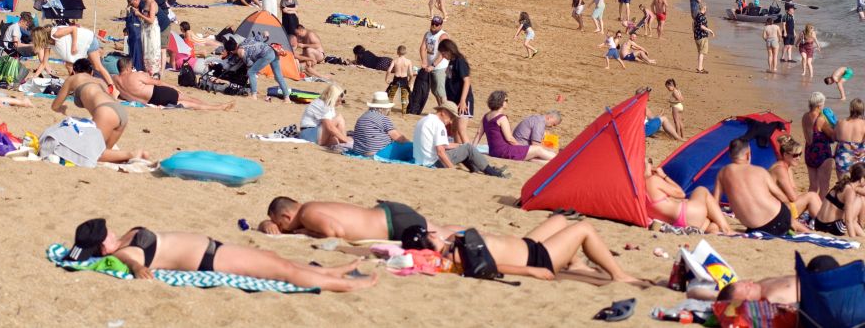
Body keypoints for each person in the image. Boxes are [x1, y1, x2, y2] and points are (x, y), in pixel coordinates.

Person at [65, 218, 376, 291]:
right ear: (104, 245)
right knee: (283, 273)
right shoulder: (124, 252)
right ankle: (351, 284)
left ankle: (334, 272)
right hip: (211, 260)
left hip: (215, 249)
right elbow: (131, 261)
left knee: (276, 260)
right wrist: (136, 269)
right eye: (105, 237)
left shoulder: (128, 236)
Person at [413, 215, 639, 284]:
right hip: (536, 259)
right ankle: (618, 275)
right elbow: (489, 268)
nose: (432, 232)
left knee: (560, 219)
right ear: (430, 244)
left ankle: (576, 263)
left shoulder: (452, 242)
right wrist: (531, 271)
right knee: (584, 228)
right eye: (429, 235)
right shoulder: (455, 254)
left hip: (527, 244)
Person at [51, 59, 148, 163]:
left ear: (74, 71)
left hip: (105, 112)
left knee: (92, 153)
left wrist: (62, 108)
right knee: (103, 154)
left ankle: (133, 154)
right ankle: (133, 157)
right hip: (120, 111)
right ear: (91, 72)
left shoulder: (73, 79)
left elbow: (55, 105)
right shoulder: (100, 81)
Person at [714, 137, 809, 236]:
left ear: (730, 155)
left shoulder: (722, 173)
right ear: (748, 154)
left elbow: (714, 203)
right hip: (780, 218)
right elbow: (783, 197)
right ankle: (806, 231)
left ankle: (797, 227)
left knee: (788, 222)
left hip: (756, 228)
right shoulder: (760, 171)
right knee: (791, 221)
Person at [260, 197, 455, 243]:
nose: (281, 229)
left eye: (279, 224)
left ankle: (481, 238)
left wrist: (305, 232)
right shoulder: (310, 207)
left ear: (287, 216)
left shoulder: (306, 216)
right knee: (444, 230)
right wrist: (265, 224)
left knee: (444, 236)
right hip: (388, 213)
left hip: (393, 225)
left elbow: (336, 233)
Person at [413, 100, 509, 177]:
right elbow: (440, 152)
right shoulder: (438, 124)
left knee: (464, 148)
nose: (451, 121)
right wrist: (452, 169)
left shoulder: (424, 120)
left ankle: (479, 169)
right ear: (443, 112)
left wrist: (459, 146)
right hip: (433, 163)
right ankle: (491, 171)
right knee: (468, 148)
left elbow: (439, 145)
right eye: (451, 117)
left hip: (421, 160)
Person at [644, 158, 732, 233]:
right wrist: (664, 176)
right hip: (687, 213)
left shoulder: (638, 195)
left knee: (711, 220)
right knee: (701, 190)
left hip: (679, 224)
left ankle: (713, 231)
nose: (652, 165)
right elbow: (681, 193)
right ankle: (727, 230)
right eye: (650, 162)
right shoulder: (652, 181)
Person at [112, 57, 227, 110]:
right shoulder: (134, 75)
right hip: (158, 93)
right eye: (131, 67)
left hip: (151, 101)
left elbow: (116, 95)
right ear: (127, 67)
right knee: (189, 99)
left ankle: (215, 107)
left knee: (188, 104)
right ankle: (216, 107)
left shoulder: (115, 81)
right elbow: (157, 82)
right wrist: (171, 86)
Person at [472, 91, 554, 163]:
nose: (507, 102)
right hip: (504, 151)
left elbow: (478, 133)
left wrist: (472, 149)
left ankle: (546, 162)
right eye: (506, 100)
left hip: (493, 151)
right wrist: (521, 148)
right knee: (537, 149)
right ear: (500, 101)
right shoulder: (501, 118)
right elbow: (509, 139)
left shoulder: (485, 116)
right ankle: (558, 160)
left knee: (534, 154)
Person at [29, 24, 113, 84]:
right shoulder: (48, 43)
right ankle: (76, 86)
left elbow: (73, 28)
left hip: (89, 41)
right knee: (69, 66)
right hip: (81, 47)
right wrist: (34, 77)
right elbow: (44, 62)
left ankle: (112, 86)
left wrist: (74, 45)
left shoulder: (55, 34)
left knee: (97, 67)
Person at [769, 135, 822, 221]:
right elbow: (793, 197)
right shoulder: (780, 169)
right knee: (812, 196)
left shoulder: (786, 167)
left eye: (800, 154)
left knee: (812, 197)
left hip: (780, 207)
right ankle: (823, 223)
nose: (798, 158)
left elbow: (793, 193)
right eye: (795, 155)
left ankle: (821, 221)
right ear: (785, 154)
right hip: (775, 212)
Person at [223, 37, 291, 102]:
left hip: (266, 54)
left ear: (231, 51)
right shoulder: (244, 42)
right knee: (278, 76)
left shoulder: (240, 51)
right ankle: (287, 98)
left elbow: (250, 64)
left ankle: (254, 95)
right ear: (236, 44)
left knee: (251, 72)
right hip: (273, 50)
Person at [813, 162, 865, 237]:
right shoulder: (850, 191)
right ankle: (862, 233)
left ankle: (862, 232)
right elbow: (848, 220)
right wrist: (853, 240)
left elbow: (860, 191)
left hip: (818, 224)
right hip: (831, 228)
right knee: (859, 202)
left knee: (859, 199)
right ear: (862, 179)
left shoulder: (844, 184)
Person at [437, 39, 473, 142]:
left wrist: (463, 101)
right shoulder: (452, 62)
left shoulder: (459, 61)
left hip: (463, 101)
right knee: (454, 130)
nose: (443, 56)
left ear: (449, 50)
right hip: (454, 101)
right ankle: (459, 152)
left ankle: (470, 154)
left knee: (461, 130)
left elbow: (467, 81)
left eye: (443, 53)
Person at [351, 91, 408, 156]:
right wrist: (409, 144)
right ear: (384, 108)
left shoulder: (363, 116)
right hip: (377, 152)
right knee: (402, 147)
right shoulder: (383, 118)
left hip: (358, 151)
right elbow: (397, 136)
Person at [803, 91, 835, 199]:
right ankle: (820, 213)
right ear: (819, 105)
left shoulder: (805, 116)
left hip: (809, 152)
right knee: (824, 186)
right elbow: (833, 136)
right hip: (822, 154)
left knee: (813, 186)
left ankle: (810, 210)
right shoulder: (820, 119)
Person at [834, 99, 865, 179]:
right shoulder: (863, 124)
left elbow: (834, 138)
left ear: (850, 109)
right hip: (858, 159)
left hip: (842, 157)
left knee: (842, 186)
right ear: (862, 110)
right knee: (858, 186)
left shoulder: (840, 122)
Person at [384, 45, 412, 114]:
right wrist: (410, 81)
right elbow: (411, 74)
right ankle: (404, 111)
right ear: (405, 52)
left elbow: (389, 70)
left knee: (391, 95)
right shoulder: (408, 61)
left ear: (397, 52)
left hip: (396, 79)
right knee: (403, 97)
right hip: (404, 79)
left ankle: (388, 110)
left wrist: (386, 78)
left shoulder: (395, 60)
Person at [693, 2, 714, 74]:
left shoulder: (697, 15)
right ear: (704, 8)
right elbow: (702, 26)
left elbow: (693, 24)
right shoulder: (702, 16)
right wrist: (710, 30)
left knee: (700, 52)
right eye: (706, 8)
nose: (706, 10)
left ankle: (700, 67)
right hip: (702, 37)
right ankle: (700, 68)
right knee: (702, 53)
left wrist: (695, 32)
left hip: (697, 37)